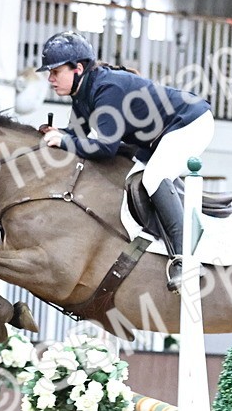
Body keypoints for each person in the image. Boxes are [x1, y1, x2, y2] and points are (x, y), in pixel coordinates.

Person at [37, 31, 214, 292]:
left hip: (190, 123)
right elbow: (76, 134)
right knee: (133, 179)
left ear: (78, 68)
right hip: (160, 137)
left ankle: (186, 261)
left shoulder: (107, 89)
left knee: (154, 177)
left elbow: (105, 148)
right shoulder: (83, 93)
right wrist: (55, 135)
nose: (50, 79)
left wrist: (62, 141)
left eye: (55, 72)